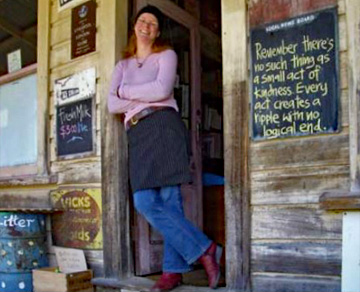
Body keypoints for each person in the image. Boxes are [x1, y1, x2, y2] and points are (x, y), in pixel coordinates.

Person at [107, 5, 222, 292]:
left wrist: (127, 94)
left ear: (157, 31)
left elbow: (161, 90)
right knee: (144, 201)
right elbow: (110, 104)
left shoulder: (166, 55)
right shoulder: (122, 66)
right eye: (142, 20)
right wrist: (134, 98)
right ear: (135, 26)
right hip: (138, 133)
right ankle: (206, 248)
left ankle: (173, 271)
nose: (146, 25)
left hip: (164, 125)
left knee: (171, 201)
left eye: (153, 23)